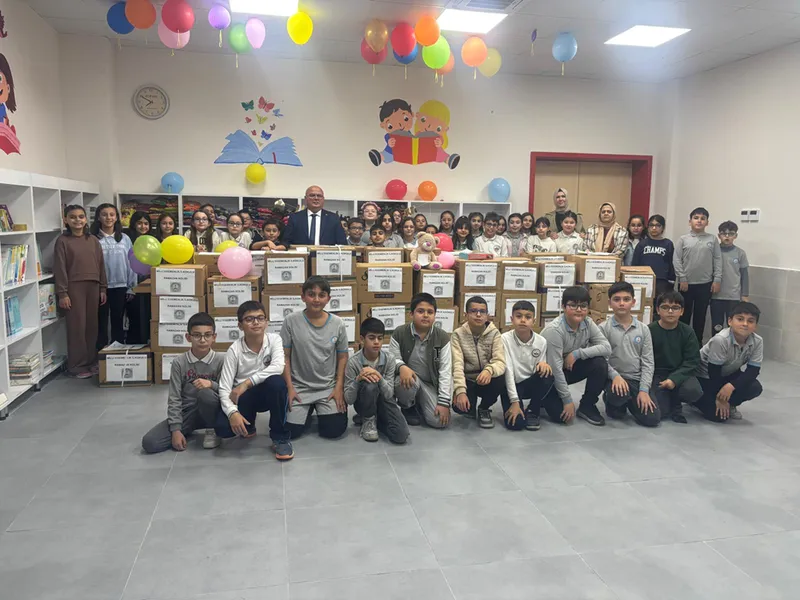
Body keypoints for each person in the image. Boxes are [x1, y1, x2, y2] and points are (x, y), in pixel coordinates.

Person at [215, 301, 293, 460]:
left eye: (260, 318)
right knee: (223, 429)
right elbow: (224, 388)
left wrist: (246, 383)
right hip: (245, 398)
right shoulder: (234, 350)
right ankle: (248, 423)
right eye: (249, 319)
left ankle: (280, 437)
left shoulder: (274, 340)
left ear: (266, 322)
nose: (256, 322)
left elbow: (278, 367)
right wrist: (232, 413)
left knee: (277, 383)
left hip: (268, 393)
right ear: (240, 325)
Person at [141, 313, 225, 454]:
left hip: (213, 410)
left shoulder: (221, 360)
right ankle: (187, 428)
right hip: (187, 413)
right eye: (197, 335)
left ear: (214, 337)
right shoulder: (179, 363)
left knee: (205, 394)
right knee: (150, 443)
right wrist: (176, 429)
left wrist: (211, 384)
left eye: (207, 335)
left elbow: (226, 390)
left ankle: (212, 430)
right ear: (188, 337)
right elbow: (174, 397)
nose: (202, 340)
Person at [281, 276, 349, 439]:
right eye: (311, 294)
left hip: (327, 388)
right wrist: (289, 388)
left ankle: (318, 407)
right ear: (303, 297)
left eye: (322, 295)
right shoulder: (291, 321)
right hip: (299, 388)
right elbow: (285, 357)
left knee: (334, 430)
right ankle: (308, 408)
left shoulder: (338, 323)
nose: (316, 299)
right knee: (290, 432)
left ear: (328, 299)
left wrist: (338, 388)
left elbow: (342, 357)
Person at [541, 286, 611, 426]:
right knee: (561, 416)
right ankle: (543, 397)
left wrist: (577, 354)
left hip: (568, 368)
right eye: (573, 305)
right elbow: (555, 369)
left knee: (599, 363)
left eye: (583, 306)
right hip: (548, 376)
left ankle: (587, 406)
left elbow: (606, 348)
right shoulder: (554, 330)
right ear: (563, 306)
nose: (579, 310)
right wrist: (567, 400)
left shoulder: (588, 323)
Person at [54, 205, 107, 379]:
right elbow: (60, 268)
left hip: (93, 286)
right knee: (77, 327)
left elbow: (101, 265)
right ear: (66, 220)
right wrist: (63, 293)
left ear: (86, 219)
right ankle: (77, 365)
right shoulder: (63, 241)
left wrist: (103, 288)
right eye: (73, 217)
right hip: (73, 288)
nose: (77, 220)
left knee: (92, 326)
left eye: (81, 216)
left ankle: (91, 362)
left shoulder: (93, 240)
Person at [599, 283, 660, 427]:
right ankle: (612, 400)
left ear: (633, 302)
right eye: (617, 299)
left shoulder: (643, 329)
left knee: (652, 419)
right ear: (609, 303)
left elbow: (648, 362)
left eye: (626, 299)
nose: (621, 303)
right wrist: (615, 376)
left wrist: (644, 390)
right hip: (615, 379)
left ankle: (632, 400)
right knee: (617, 403)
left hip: (636, 380)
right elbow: (602, 360)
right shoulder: (603, 329)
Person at [390, 293, 452, 429]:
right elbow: (392, 358)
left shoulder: (442, 338)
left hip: (429, 384)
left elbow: (445, 370)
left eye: (430, 312)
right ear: (411, 314)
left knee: (439, 421)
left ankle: (420, 403)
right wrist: (402, 367)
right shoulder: (399, 333)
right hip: (409, 379)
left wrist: (443, 402)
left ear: (435, 315)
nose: (425, 315)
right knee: (406, 382)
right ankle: (408, 406)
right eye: (420, 311)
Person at [696, 301, 763, 422]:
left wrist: (731, 386)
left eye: (750, 321)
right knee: (717, 417)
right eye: (740, 319)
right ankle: (696, 401)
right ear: (730, 321)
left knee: (755, 387)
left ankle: (730, 403)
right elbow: (714, 372)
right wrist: (720, 398)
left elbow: (753, 371)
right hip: (704, 377)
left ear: (755, 326)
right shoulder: (721, 340)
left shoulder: (757, 341)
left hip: (727, 374)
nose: (745, 324)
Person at [344, 318, 408, 443]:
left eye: (380, 338)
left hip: (384, 402)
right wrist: (358, 380)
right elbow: (349, 399)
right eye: (372, 338)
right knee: (370, 385)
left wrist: (379, 376)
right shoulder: (353, 362)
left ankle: (374, 419)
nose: (376, 342)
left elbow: (389, 394)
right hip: (363, 402)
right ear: (362, 339)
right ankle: (368, 419)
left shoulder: (389, 359)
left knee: (401, 435)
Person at [451, 296, 506, 428]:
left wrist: (489, 370)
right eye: (473, 311)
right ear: (466, 315)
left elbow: (500, 361)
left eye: (482, 311)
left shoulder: (495, 333)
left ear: (487, 315)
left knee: (501, 378)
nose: (478, 315)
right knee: (460, 408)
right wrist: (460, 391)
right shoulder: (457, 335)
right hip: (468, 379)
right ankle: (470, 404)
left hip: (486, 379)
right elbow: (457, 365)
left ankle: (484, 408)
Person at [648, 290, 703, 424]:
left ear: (682, 311)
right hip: (656, 374)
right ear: (657, 310)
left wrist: (674, 379)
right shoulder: (649, 330)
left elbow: (692, 361)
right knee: (660, 412)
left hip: (680, 373)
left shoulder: (688, 332)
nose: (670, 311)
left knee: (693, 391)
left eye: (675, 308)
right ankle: (669, 400)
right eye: (665, 307)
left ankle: (676, 401)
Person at [500, 301, 554, 431]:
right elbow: (508, 371)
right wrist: (514, 401)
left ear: (534, 321)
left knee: (547, 374)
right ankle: (517, 406)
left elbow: (540, 367)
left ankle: (533, 409)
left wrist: (543, 364)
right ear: (511, 319)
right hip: (511, 385)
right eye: (518, 316)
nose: (523, 320)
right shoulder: (504, 339)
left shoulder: (541, 341)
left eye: (528, 317)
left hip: (529, 383)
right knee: (515, 424)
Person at [674, 207, 722, 344]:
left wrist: (717, 279)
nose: (699, 221)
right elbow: (676, 260)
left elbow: (718, 259)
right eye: (696, 218)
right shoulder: (683, 239)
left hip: (705, 284)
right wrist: (682, 278)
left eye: (702, 218)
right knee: (684, 315)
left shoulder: (712, 239)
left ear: (707, 222)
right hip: (686, 284)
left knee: (700, 317)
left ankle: (697, 344)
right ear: (690, 221)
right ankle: (682, 342)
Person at [91, 203, 136, 349]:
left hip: (121, 286)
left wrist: (132, 287)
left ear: (117, 217)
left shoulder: (124, 238)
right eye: (104, 214)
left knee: (118, 320)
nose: (108, 218)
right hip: (101, 288)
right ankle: (101, 352)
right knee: (101, 321)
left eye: (112, 214)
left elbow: (132, 263)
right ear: (98, 217)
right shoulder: (93, 239)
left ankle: (118, 351)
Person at [711, 221, 750, 336]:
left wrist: (745, 295)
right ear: (719, 235)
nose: (727, 236)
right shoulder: (713, 251)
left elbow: (744, 275)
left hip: (734, 296)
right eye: (724, 234)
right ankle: (716, 347)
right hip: (716, 296)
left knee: (733, 327)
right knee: (716, 327)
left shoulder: (740, 253)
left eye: (731, 234)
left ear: (735, 236)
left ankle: (732, 347)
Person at [283, 185, 347, 246]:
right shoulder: (295, 218)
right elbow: (286, 241)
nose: (316, 198)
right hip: (302, 253)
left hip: (326, 253)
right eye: (312, 195)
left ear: (323, 199)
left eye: (319, 196)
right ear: (305, 198)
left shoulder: (333, 218)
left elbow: (342, 243)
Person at [633, 214, 675, 304]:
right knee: (644, 305)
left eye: (658, 225)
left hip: (662, 281)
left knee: (660, 305)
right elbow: (635, 263)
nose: (654, 228)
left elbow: (671, 262)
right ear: (648, 227)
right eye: (651, 225)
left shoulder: (668, 244)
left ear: (663, 228)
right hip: (644, 279)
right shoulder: (642, 244)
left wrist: (671, 281)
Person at [368, 98, 413, 166]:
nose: (400, 125)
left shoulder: (408, 133)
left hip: (403, 154)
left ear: (412, 115)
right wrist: (389, 142)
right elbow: (387, 137)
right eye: (390, 126)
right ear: (383, 125)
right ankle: (379, 157)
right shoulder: (391, 135)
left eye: (405, 119)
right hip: (391, 152)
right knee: (386, 156)